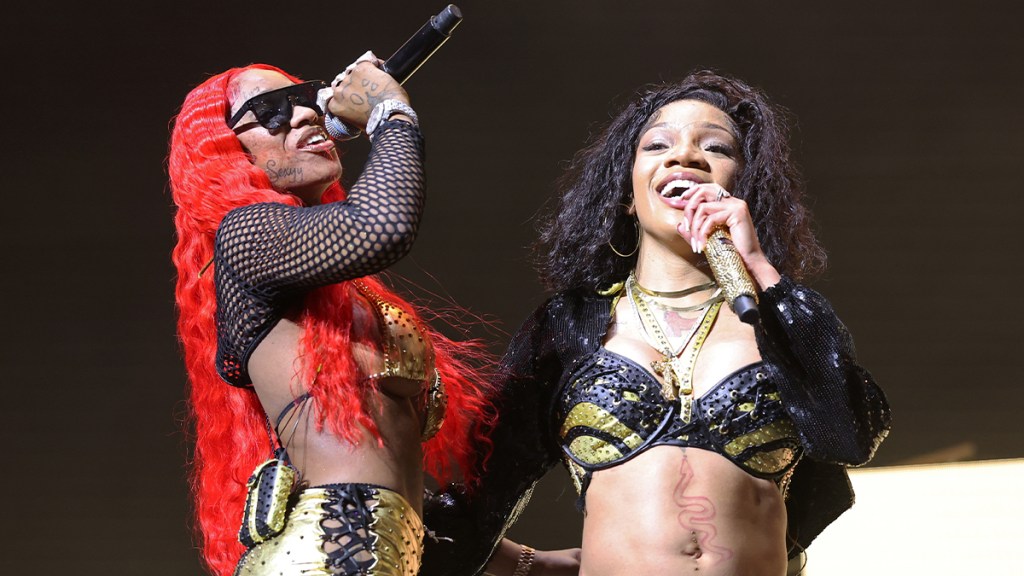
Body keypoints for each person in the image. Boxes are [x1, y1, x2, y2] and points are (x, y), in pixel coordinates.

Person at [421, 70, 892, 576]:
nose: (685, 155)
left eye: (716, 148)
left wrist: (760, 270)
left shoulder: (780, 322)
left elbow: (849, 437)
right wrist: (537, 565)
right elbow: (473, 510)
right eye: (657, 144)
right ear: (627, 194)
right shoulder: (570, 326)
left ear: (744, 189)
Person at [168, 55, 501, 576]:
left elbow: (386, 488)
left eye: (307, 100)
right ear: (226, 152)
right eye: (272, 110)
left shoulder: (345, 293)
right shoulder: (243, 237)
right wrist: (389, 110)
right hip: (328, 557)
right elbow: (383, 227)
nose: (305, 115)